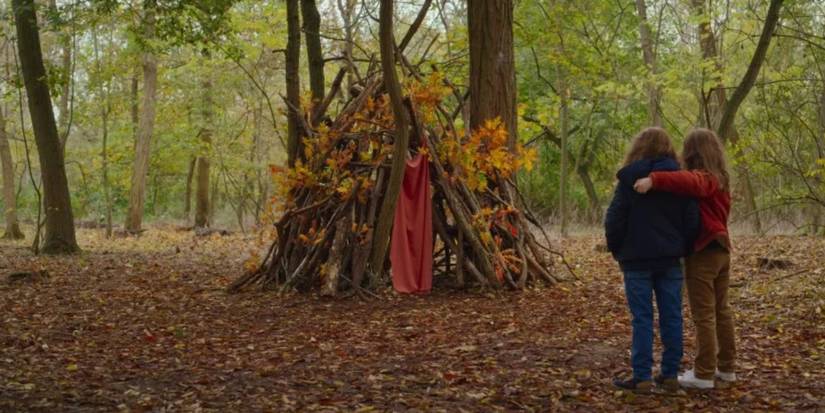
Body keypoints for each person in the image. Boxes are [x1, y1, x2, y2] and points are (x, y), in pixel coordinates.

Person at [634, 128, 736, 389]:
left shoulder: (706, 178)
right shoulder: (721, 177)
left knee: (705, 314)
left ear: (692, 152)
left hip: (705, 251)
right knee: (721, 311)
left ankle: (703, 374)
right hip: (722, 249)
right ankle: (726, 369)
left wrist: (654, 180)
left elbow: (691, 182)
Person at [605, 127, 700, 393]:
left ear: (638, 148)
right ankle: (669, 375)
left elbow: (614, 219)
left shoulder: (628, 181)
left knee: (642, 318)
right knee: (672, 316)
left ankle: (642, 377)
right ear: (669, 149)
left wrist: (618, 250)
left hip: (635, 260)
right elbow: (692, 219)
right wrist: (684, 247)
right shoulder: (681, 181)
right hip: (670, 259)